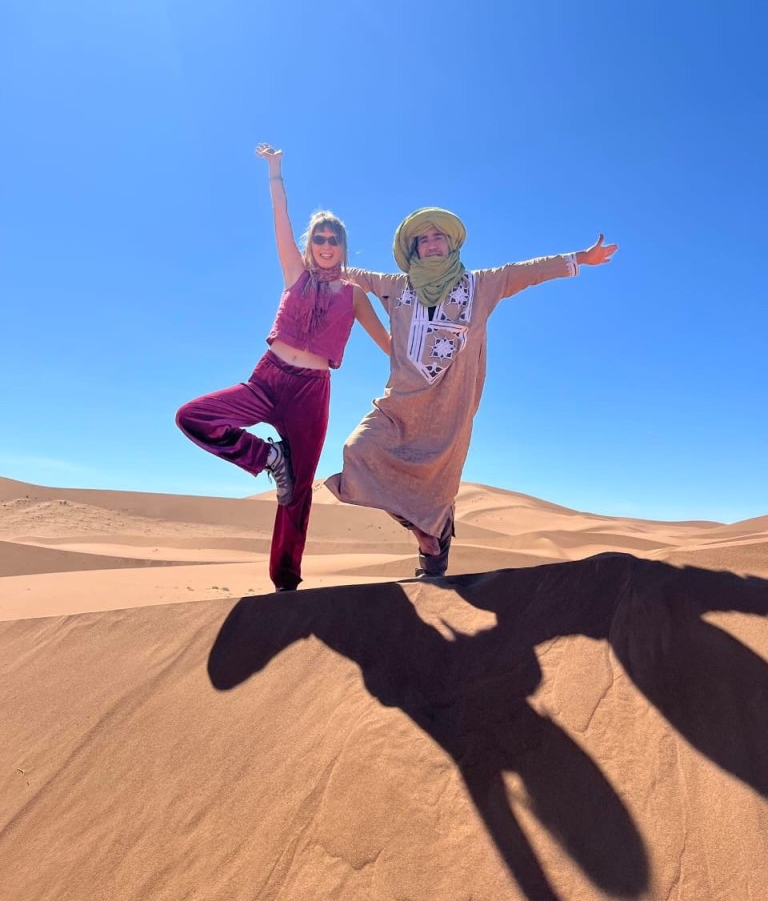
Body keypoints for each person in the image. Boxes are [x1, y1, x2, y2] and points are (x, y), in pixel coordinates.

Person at [326, 207, 617, 578]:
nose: (431, 244)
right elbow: (348, 274)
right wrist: (316, 262)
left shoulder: (480, 285)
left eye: (438, 237)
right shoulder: (397, 287)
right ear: (414, 250)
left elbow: (523, 272)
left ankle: (432, 549)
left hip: (448, 410)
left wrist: (580, 259)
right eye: (423, 239)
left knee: (437, 488)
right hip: (398, 405)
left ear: (451, 244)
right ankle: (428, 530)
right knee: (358, 451)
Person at [176, 145, 390, 592]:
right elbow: (281, 219)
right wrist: (275, 171)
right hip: (268, 379)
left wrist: (419, 369)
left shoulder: (354, 293)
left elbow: (386, 343)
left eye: (333, 240)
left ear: (343, 247)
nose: (326, 245)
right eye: (319, 238)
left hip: (311, 393)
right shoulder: (294, 271)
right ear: (310, 244)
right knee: (192, 416)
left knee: (299, 489)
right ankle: (270, 458)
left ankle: (285, 583)